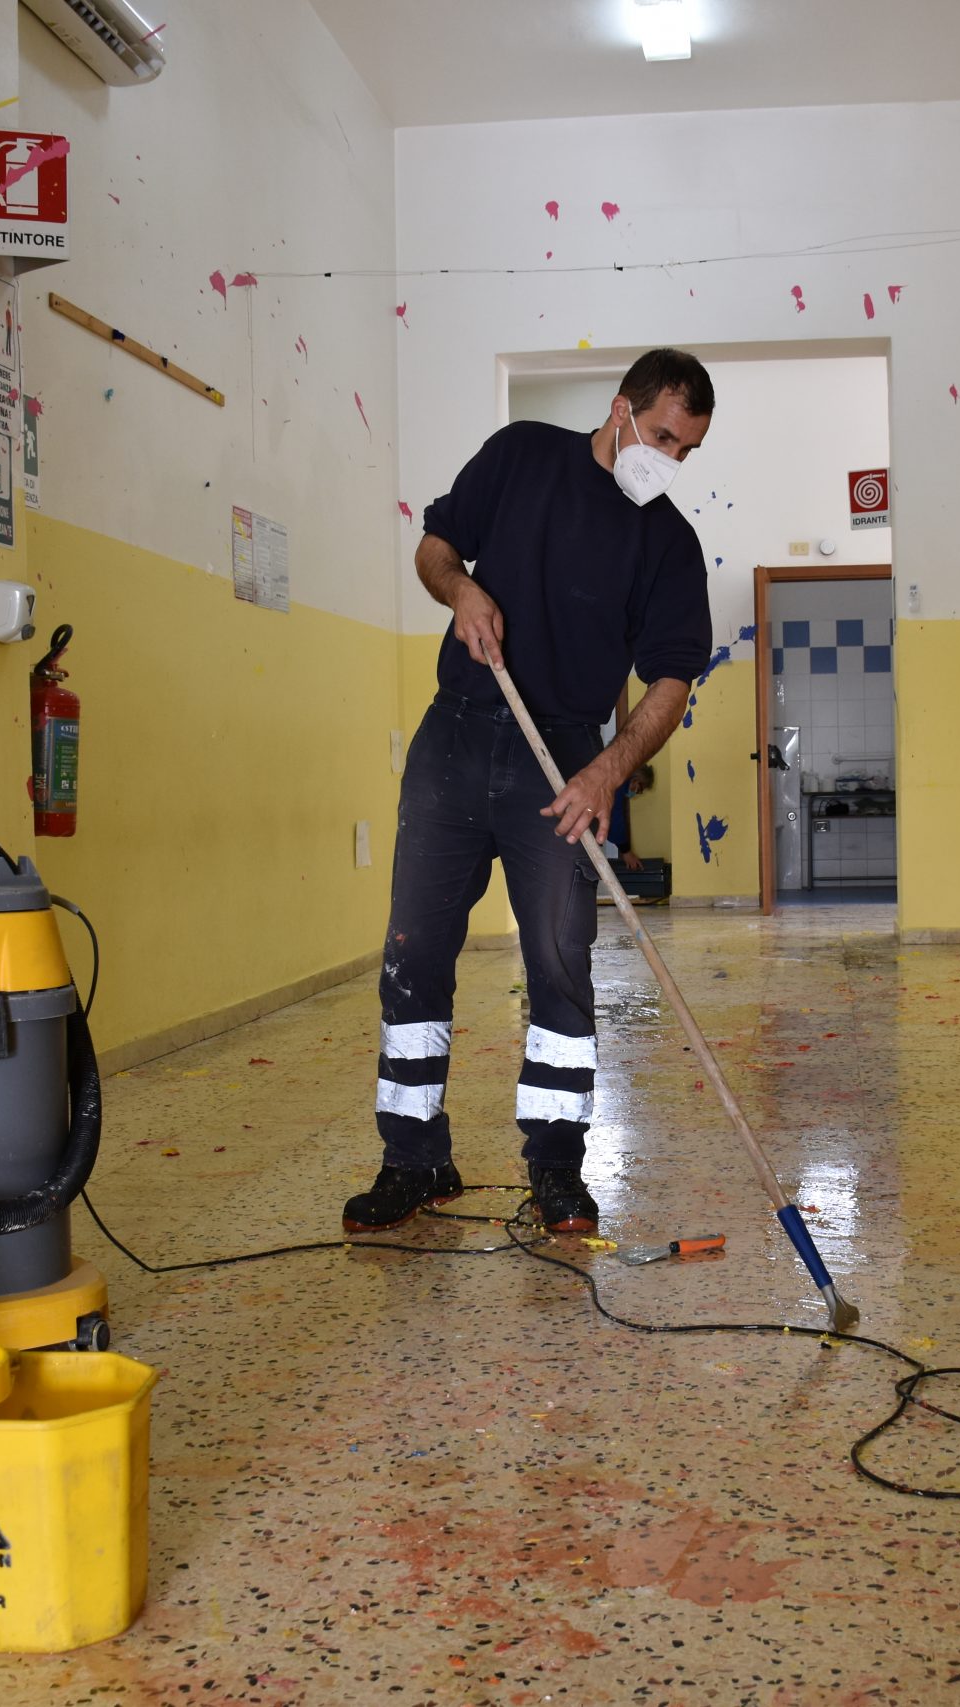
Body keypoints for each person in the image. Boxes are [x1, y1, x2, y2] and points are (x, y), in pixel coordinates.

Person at [346, 349, 715, 1235]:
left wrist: (604, 771)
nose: (668, 459)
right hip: (459, 733)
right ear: (620, 410)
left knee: (559, 962)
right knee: (414, 953)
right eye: (661, 435)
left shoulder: (666, 540)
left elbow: (670, 683)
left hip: (563, 759)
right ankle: (414, 1158)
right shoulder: (520, 455)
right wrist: (463, 588)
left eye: (688, 450)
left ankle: (555, 1166)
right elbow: (435, 548)